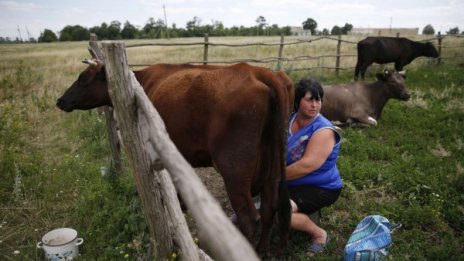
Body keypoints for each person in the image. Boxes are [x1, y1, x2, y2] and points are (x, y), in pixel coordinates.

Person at [286, 77, 342, 256]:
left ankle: (319, 235)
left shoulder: (323, 130)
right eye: (309, 99)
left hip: (319, 186)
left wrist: (273, 176)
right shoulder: (290, 119)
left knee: (281, 212)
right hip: (291, 181)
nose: (315, 105)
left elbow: (307, 166)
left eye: (318, 100)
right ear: (297, 100)